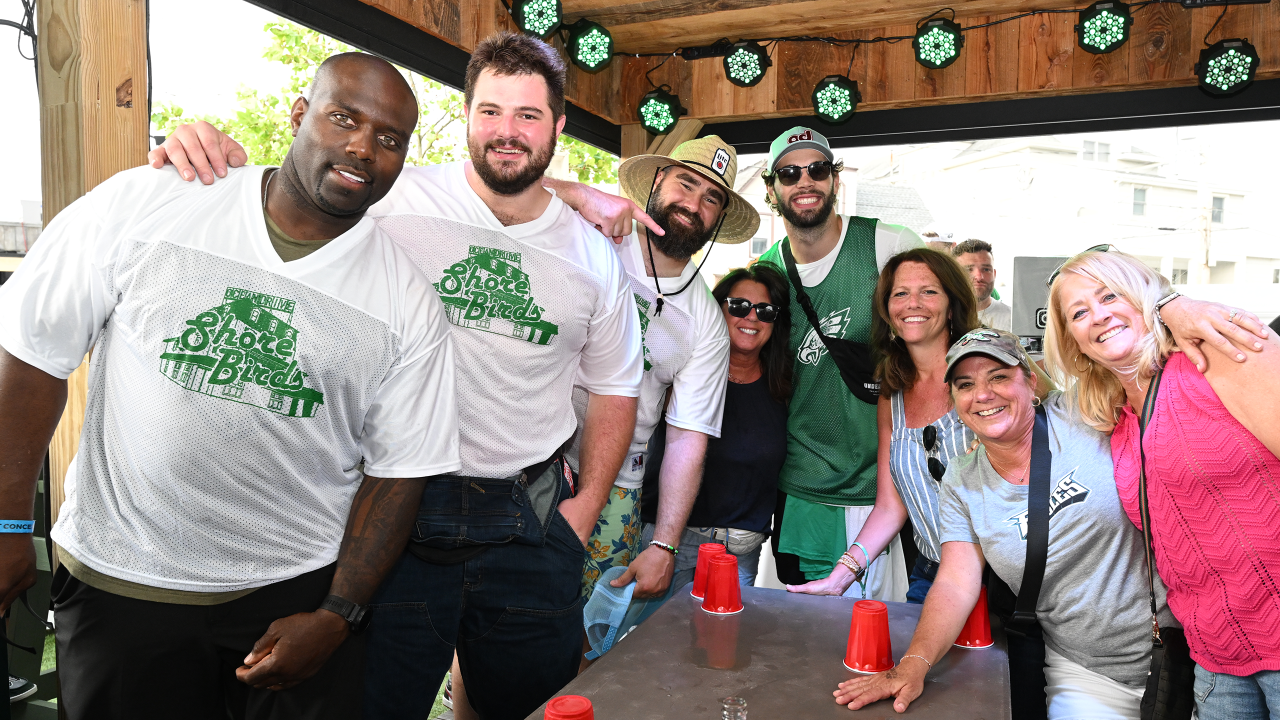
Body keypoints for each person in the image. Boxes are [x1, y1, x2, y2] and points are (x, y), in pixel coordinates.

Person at [150, 33, 645, 720]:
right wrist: (203, 148)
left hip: (528, 516)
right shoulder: (387, 195)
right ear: (466, 114)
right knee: (372, 706)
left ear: (558, 126)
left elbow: (617, 384)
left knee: (530, 709)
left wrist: (583, 511)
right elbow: (282, 193)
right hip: (389, 509)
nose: (507, 132)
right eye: (491, 111)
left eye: (529, 116)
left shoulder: (593, 257)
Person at [0, 54, 461, 718]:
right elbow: (33, 352)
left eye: (390, 139)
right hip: (124, 584)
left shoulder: (407, 301)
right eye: (343, 117)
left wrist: (336, 613)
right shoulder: (154, 200)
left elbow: (399, 472)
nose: (363, 145)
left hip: (291, 595)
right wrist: (11, 521)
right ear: (299, 115)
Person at [837, 329, 1175, 719]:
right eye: (966, 384)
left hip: (1184, 647)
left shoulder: (1082, 411)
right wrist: (912, 664)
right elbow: (954, 582)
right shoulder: (961, 479)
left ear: (1031, 383)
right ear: (954, 402)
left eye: (998, 376)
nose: (983, 394)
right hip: (1087, 674)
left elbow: (1143, 361)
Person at [1045, 248, 1280, 720]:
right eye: (1079, 312)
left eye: (1110, 294)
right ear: (1073, 341)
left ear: (1144, 297)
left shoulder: (1214, 356)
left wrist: (1175, 305)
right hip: (1213, 657)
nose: (1100, 315)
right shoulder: (1114, 416)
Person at [756, 126, 922, 597]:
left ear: (835, 178)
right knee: (803, 635)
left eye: (818, 169)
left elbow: (948, 329)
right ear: (772, 187)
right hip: (802, 485)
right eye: (789, 173)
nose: (804, 181)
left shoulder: (886, 244)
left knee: (873, 636)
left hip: (882, 489)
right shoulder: (765, 276)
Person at [787, 248, 978, 603]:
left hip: (1003, 576)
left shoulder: (989, 364)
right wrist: (841, 576)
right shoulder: (893, 395)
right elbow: (891, 506)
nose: (913, 303)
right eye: (900, 293)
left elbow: (1057, 414)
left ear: (952, 304)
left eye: (929, 291)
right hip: (933, 572)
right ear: (887, 310)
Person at [640, 262, 793, 588]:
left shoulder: (784, 386)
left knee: (724, 639)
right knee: (655, 638)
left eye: (764, 310)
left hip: (741, 553)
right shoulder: (685, 372)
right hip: (675, 542)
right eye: (739, 306)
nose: (751, 317)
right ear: (717, 310)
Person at [953, 239, 1011, 331]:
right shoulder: (942, 319)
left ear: (994, 274)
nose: (979, 277)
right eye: (968, 270)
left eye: (986, 269)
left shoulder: (1012, 319)